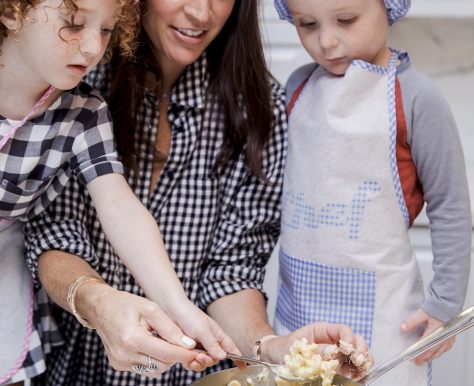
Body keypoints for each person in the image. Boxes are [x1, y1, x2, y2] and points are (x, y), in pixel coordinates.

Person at [24, 0, 373, 385]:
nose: (202, 13)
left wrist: (270, 347)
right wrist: (100, 304)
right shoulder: (78, 78)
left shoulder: (257, 110)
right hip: (69, 368)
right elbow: (53, 235)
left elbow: (231, 271)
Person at [0, 0, 239, 384]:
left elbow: (121, 209)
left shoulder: (83, 115)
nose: (92, 48)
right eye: (73, 24)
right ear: (10, 11)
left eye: (105, 30)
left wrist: (180, 307)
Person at [272, 0, 472, 385]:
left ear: (389, 7)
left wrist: (444, 303)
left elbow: (451, 204)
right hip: (299, 308)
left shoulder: (416, 97)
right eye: (307, 24)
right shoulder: (298, 87)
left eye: (346, 20)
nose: (327, 41)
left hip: (383, 316)